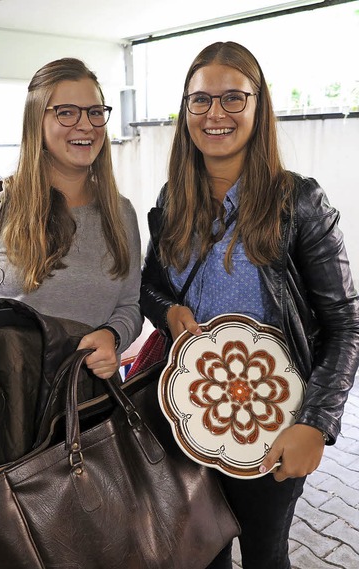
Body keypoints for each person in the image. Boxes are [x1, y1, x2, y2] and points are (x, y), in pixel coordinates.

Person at [139, 41, 359, 568]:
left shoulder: (301, 202)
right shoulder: (174, 199)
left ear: (260, 108)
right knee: (201, 553)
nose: (215, 113)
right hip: (186, 417)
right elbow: (149, 285)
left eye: (233, 98)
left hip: (273, 421)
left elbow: (346, 324)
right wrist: (168, 312)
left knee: (264, 554)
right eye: (200, 100)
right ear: (185, 111)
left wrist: (316, 423)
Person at [0, 57, 143, 379]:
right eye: (66, 112)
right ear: (36, 121)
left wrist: (114, 337)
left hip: (88, 403)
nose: (86, 125)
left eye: (95, 112)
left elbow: (130, 306)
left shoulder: (120, 212)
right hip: (4, 397)